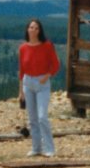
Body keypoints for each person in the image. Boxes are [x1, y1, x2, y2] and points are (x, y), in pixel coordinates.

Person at [18, 18, 60, 157]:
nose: (33, 30)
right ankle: (36, 148)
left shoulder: (47, 45)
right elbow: (21, 70)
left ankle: (50, 148)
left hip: (42, 83)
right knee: (32, 118)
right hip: (27, 83)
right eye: (31, 27)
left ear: (40, 31)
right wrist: (21, 91)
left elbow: (55, 64)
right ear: (27, 29)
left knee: (42, 116)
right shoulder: (23, 48)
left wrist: (47, 76)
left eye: (36, 28)